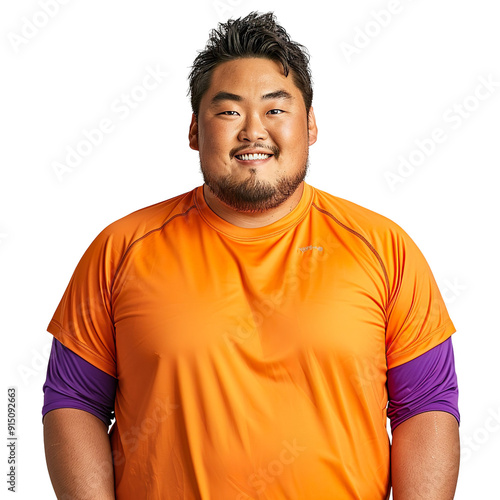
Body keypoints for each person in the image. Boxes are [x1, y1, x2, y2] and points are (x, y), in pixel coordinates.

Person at [42, 11, 460, 500]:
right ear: (196, 130)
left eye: (276, 109)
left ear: (311, 126)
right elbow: (73, 400)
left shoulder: (385, 248)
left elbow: (426, 405)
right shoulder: (121, 248)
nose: (253, 131)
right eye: (229, 111)